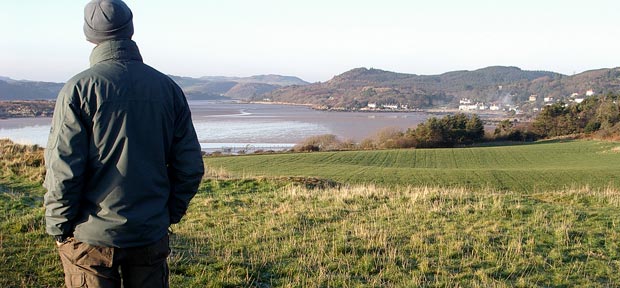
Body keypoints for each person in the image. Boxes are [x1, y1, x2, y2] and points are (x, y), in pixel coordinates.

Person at [43, 0, 205, 287]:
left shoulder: (78, 90)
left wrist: (59, 227)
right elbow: (190, 167)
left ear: (89, 34)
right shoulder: (168, 89)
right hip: (149, 232)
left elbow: (64, 170)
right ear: (130, 30)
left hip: (89, 235)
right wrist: (167, 214)